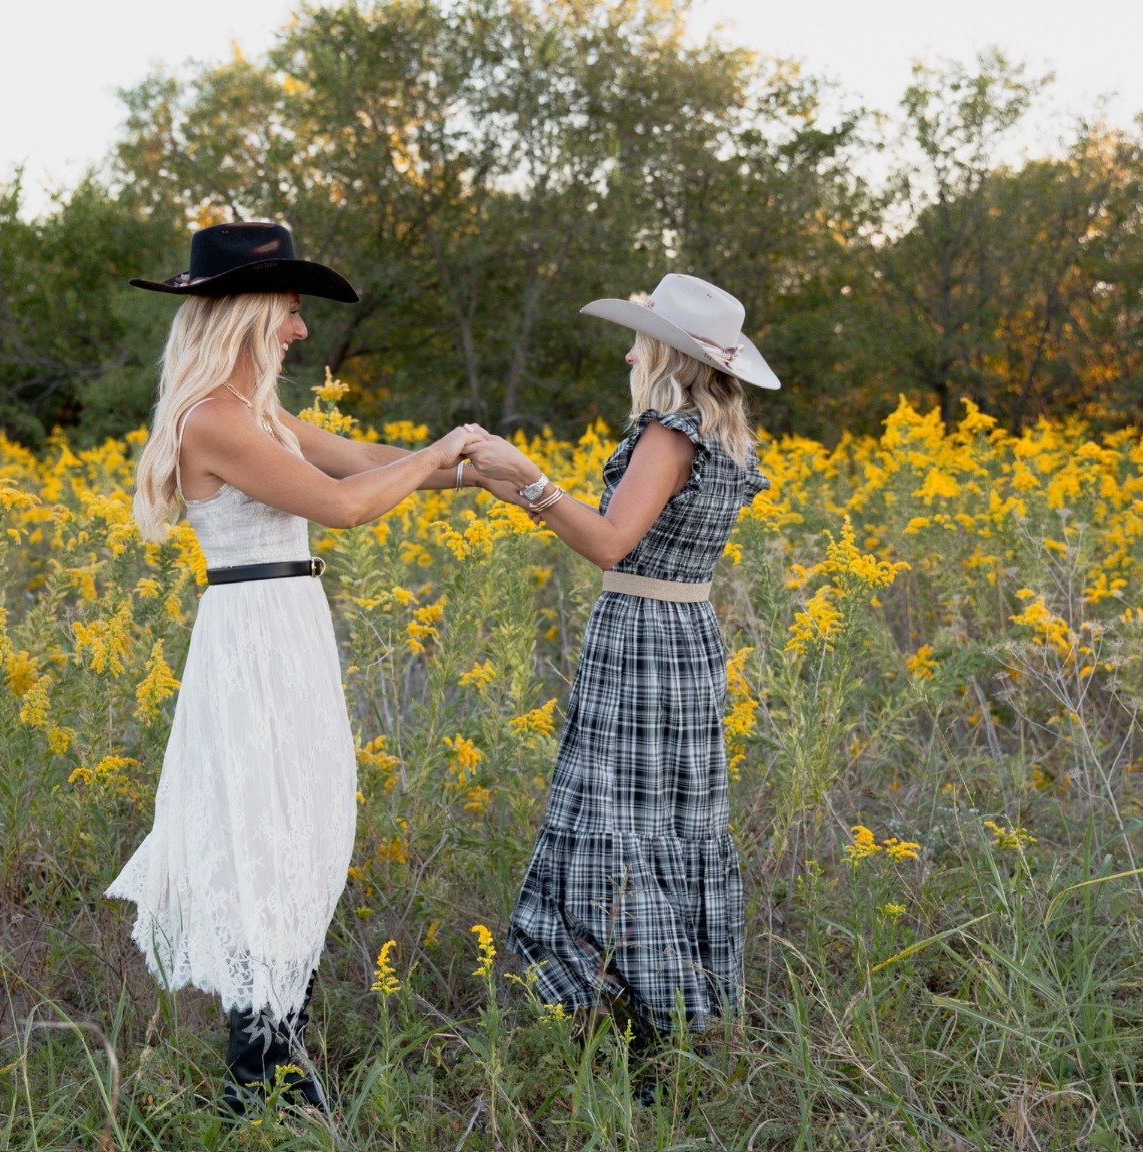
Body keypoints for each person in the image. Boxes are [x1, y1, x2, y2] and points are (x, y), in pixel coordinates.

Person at [105, 221, 488, 1118]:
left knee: (303, 824)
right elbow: (347, 506)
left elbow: (364, 463)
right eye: (288, 309)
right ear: (243, 314)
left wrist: (476, 472)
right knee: (263, 834)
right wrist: (443, 451)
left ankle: (276, 1057)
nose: (299, 329)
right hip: (251, 639)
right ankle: (261, 1076)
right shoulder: (214, 420)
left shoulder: (259, 413)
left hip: (287, 627)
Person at [464, 273, 775, 1094]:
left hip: (640, 641)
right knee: (662, 823)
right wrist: (518, 490)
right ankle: (666, 1020)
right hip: (684, 638)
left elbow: (609, 544)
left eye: (640, 336)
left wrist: (531, 478)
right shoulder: (721, 437)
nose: (630, 350)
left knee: (617, 828)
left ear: (668, 352)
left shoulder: (667, 435)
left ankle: (653, 1026)